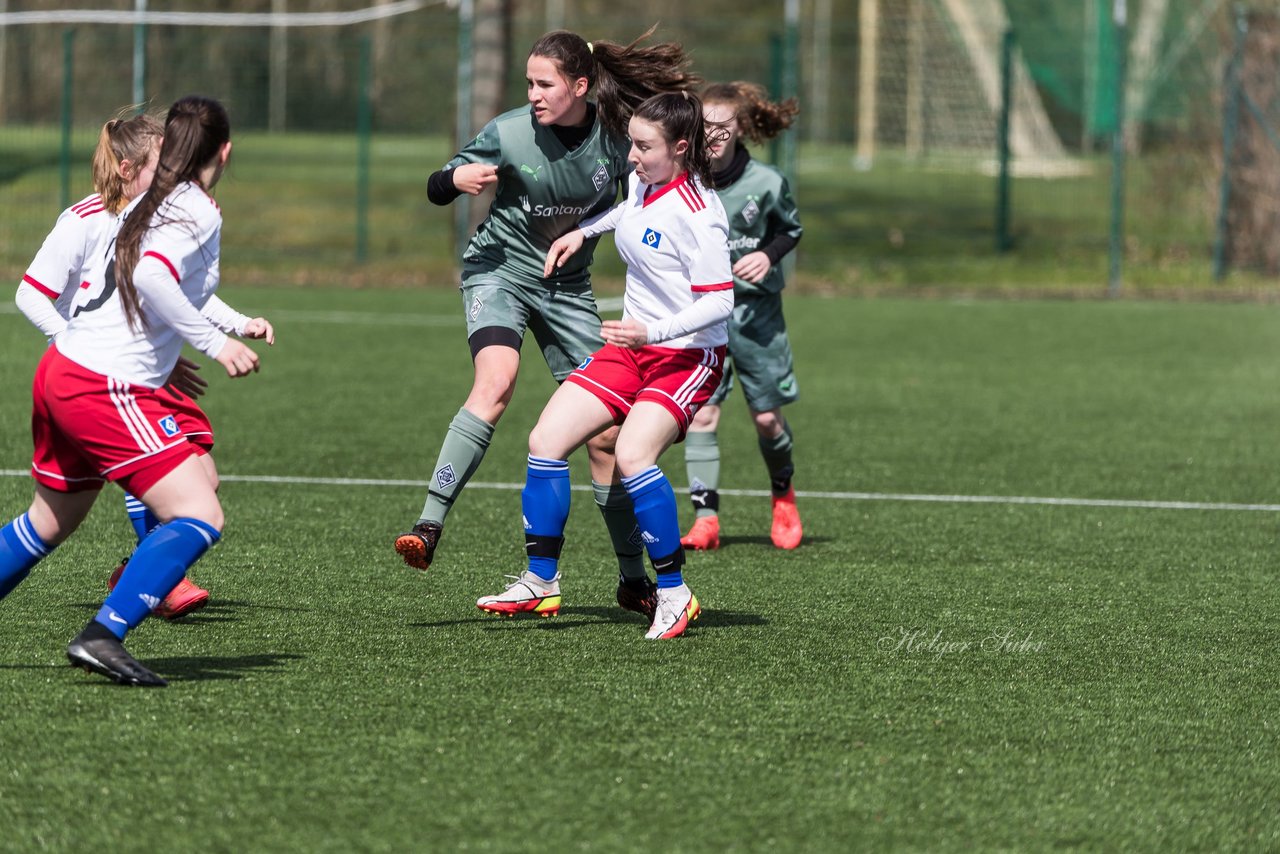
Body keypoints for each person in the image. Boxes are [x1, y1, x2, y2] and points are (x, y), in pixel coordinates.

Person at [396, 27, 699, 620]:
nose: (532, 93)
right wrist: (452, 181)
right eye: (528, 82)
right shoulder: (509, 132)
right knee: (496, 382)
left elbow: (652, 187)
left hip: (567, 287)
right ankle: (428, 525)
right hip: (499, 273)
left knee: (608, 436)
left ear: (580, 86)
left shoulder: (617, 141)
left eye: (544, 83)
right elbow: (436, 186)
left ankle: (633, 580)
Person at [0, 95, 272, 686]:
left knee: (49, 521)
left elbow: (167, 281)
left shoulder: (144, 204)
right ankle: (104, 633)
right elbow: (152, 277)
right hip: (102, 382)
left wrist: (229, 323)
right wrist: (214, 343)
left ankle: (113, 617)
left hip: (63, 371)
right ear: (224, 151)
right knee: (200, 509)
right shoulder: (192, 207)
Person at [476, 91, 733, 640]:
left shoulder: (702, 214)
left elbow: (720, 302)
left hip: (687, 355)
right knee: (545, 439)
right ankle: (541, 581)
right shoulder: (644, 181)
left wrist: (653, 331)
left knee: (634, 453)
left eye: (644, 147)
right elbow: (630, 208)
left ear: (681, 148)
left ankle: (673, 592)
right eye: (632, 144)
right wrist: (584, 230)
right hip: (630, 347)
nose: (632, 157)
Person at [678, 81, 804, 552]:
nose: (711, 135)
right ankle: (705, 518)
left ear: (741, 129)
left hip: (756, 316)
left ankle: (783, 496)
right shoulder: (686, 182)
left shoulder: (768, 184)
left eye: (722, 127)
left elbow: (790, 230)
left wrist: (769, 256)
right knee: (702, 415)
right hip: (704, 319)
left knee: (768, 419)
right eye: (704, 125)